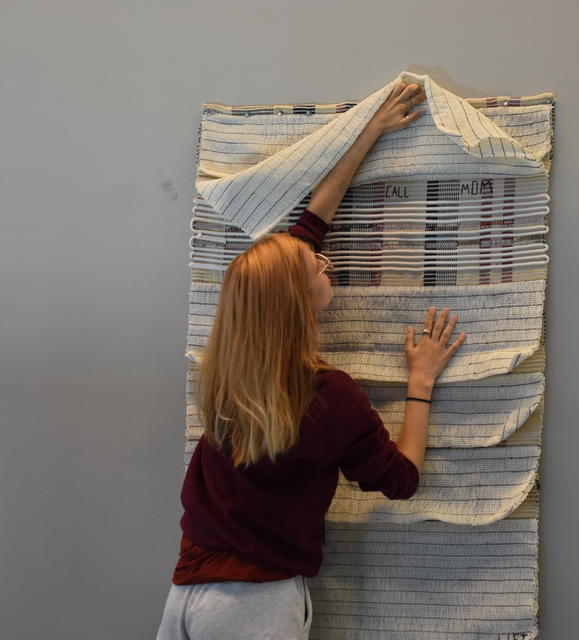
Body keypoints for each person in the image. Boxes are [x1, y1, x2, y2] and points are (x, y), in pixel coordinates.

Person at [157, 81, 467, 640]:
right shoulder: (329, 397)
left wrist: (367, 134)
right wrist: (419, 382)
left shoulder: (226, 372)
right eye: (318, 266)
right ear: (296, 301)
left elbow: (305, 233)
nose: (327, 263)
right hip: (254, 608)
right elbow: (400, 480)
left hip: (187, 594)